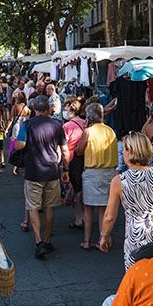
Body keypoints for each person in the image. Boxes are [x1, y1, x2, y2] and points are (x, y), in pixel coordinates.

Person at [99, 132, 153, 270]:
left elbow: (109, 216)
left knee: (137, 278)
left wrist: (105, 236)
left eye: (124, 149)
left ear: (130, 151)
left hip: (135, 236)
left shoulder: (119, 181)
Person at [14, 95, 70, 260]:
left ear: (34, 109)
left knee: (32, 206)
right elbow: (65, 151)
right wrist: (65, 169)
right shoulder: (57, 125)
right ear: (48, 109)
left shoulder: (28, 124)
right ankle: (46, 240)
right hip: (51, 171)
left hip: (33, 171)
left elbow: (19, 145)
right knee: (49, 207)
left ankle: (39, 242)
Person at [78, 103, 118, 250]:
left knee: (88, 208)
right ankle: (103, 240)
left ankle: (87, 241)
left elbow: (79, 150)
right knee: (103, 208)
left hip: (92, 172)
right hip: (109, 172)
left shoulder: (88, 131)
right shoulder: (111, 131)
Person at [62, 97, 87, 231]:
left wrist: (63, 167)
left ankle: (79, 218)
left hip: (71, 161)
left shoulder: (67, 126)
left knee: (73, 190)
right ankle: (84, 217)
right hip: (85, 159)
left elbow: (63, 147)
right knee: (81, 190)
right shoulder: (85, 123)